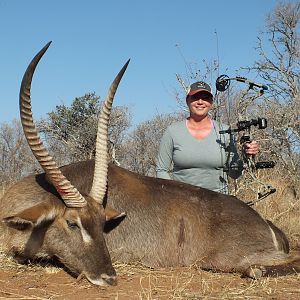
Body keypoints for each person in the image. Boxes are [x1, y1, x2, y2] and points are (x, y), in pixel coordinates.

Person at [156, 81, 260, 193]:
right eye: (195, 97)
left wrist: (246, 155)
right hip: (182, 201)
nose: (200, 102)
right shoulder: (173, 131)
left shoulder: (225, 131)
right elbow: (161, 170)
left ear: (211, 102)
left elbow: (234, 174)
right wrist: (171, 194)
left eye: (205, 98)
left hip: (219, 200)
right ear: (187, 101)